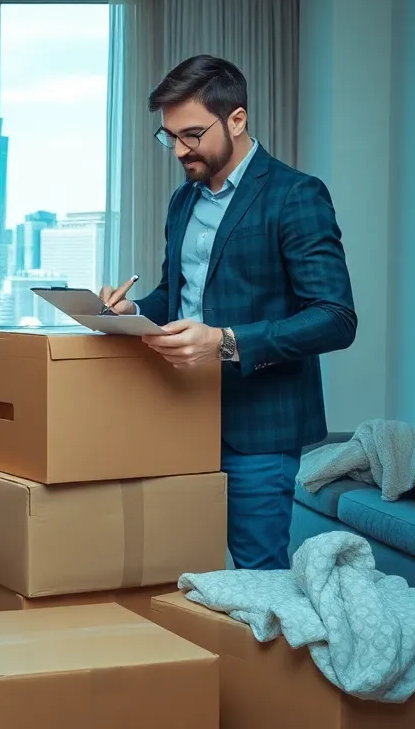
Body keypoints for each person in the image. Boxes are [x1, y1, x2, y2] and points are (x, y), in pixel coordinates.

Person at [100, 55, 357, 572]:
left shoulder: (296, 195)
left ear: (236, 119)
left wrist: (225, 341)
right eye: (169, 136)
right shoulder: (183, 201)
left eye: (192, 134)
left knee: (257, 575)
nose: (178, 150)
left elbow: (336, 317)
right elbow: (176, 293)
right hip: (179, 411)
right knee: (175, 567)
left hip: (261, 424)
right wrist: (133, 309)